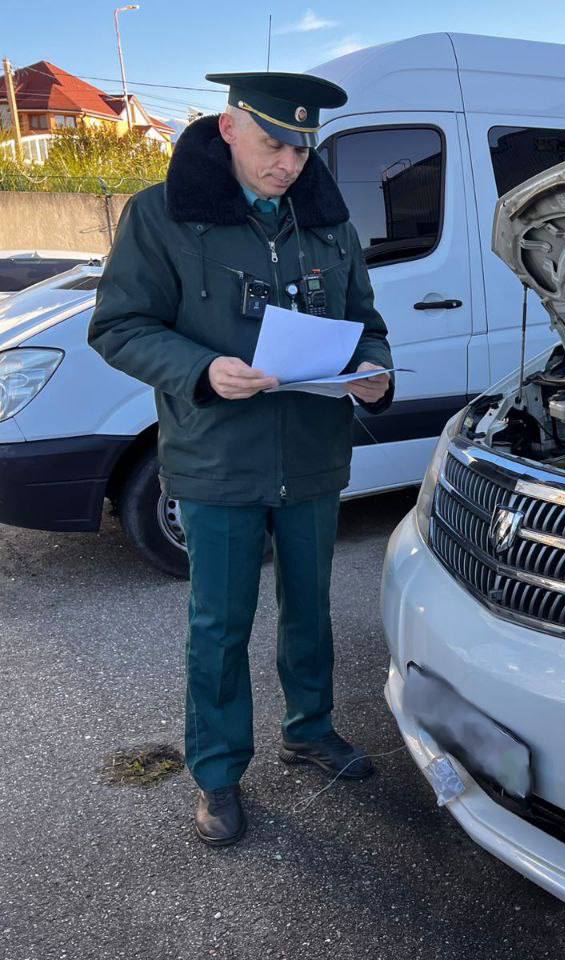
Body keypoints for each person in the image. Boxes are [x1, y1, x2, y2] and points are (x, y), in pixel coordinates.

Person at [89, 72, 394, 847]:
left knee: (311, 607)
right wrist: (201, 368)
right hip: (216, 455)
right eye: (274, 144)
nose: (288, 163)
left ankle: (310, 729)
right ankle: (218, 774)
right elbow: (120, 325)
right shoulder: (162, 216)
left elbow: (364, 320)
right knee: (221, 623)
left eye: (302, 148)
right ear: (229, 129)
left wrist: (375, 370)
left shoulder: (326, 222)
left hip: (312, 453)